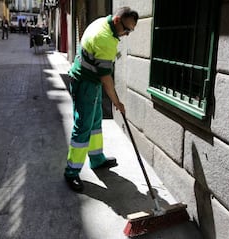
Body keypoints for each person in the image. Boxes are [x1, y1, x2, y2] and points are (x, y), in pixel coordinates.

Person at [64, 7, 139, 192]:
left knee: (95, 121)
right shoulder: (104, 40)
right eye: (126, 29)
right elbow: (107, 80)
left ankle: (97, 159)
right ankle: (71, 172)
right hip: (85, 83)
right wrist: (117, 102)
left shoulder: (102, 23)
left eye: (131, 30)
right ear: (116, 21)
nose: (127, 34)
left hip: (90, 79)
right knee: (83, 126)